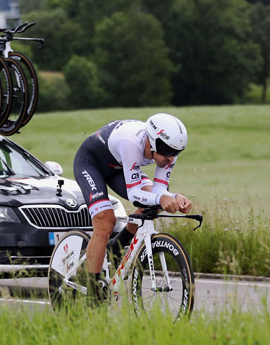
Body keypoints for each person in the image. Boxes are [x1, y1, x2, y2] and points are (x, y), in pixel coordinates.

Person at [73, 113, 193, 296]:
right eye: (166, 151)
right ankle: (91, 290)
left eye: (175, 153)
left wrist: (174, 196)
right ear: (152, 141)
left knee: (153, 204)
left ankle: (116, 247)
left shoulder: (168, 152)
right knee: (105, 222)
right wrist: (162, 198)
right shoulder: (130, 143)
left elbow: (158, 191)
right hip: (91, 163)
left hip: (118, 167)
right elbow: (135, 196)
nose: (170, 158)